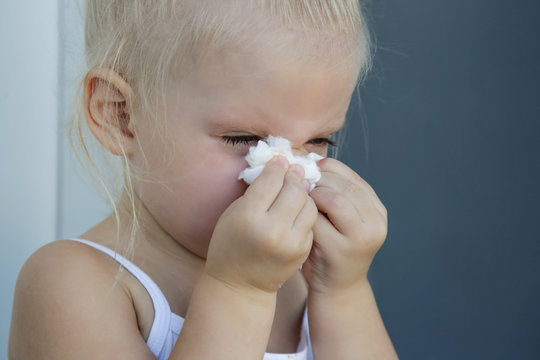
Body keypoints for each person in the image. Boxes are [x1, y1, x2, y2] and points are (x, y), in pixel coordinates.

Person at [9, 1, 398, 359]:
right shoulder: (74, 285)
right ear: (121, 115)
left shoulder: (300, 280)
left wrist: (344, 291)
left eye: (318, 141)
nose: (292, 173)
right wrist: (239, 292)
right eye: (244, 139)